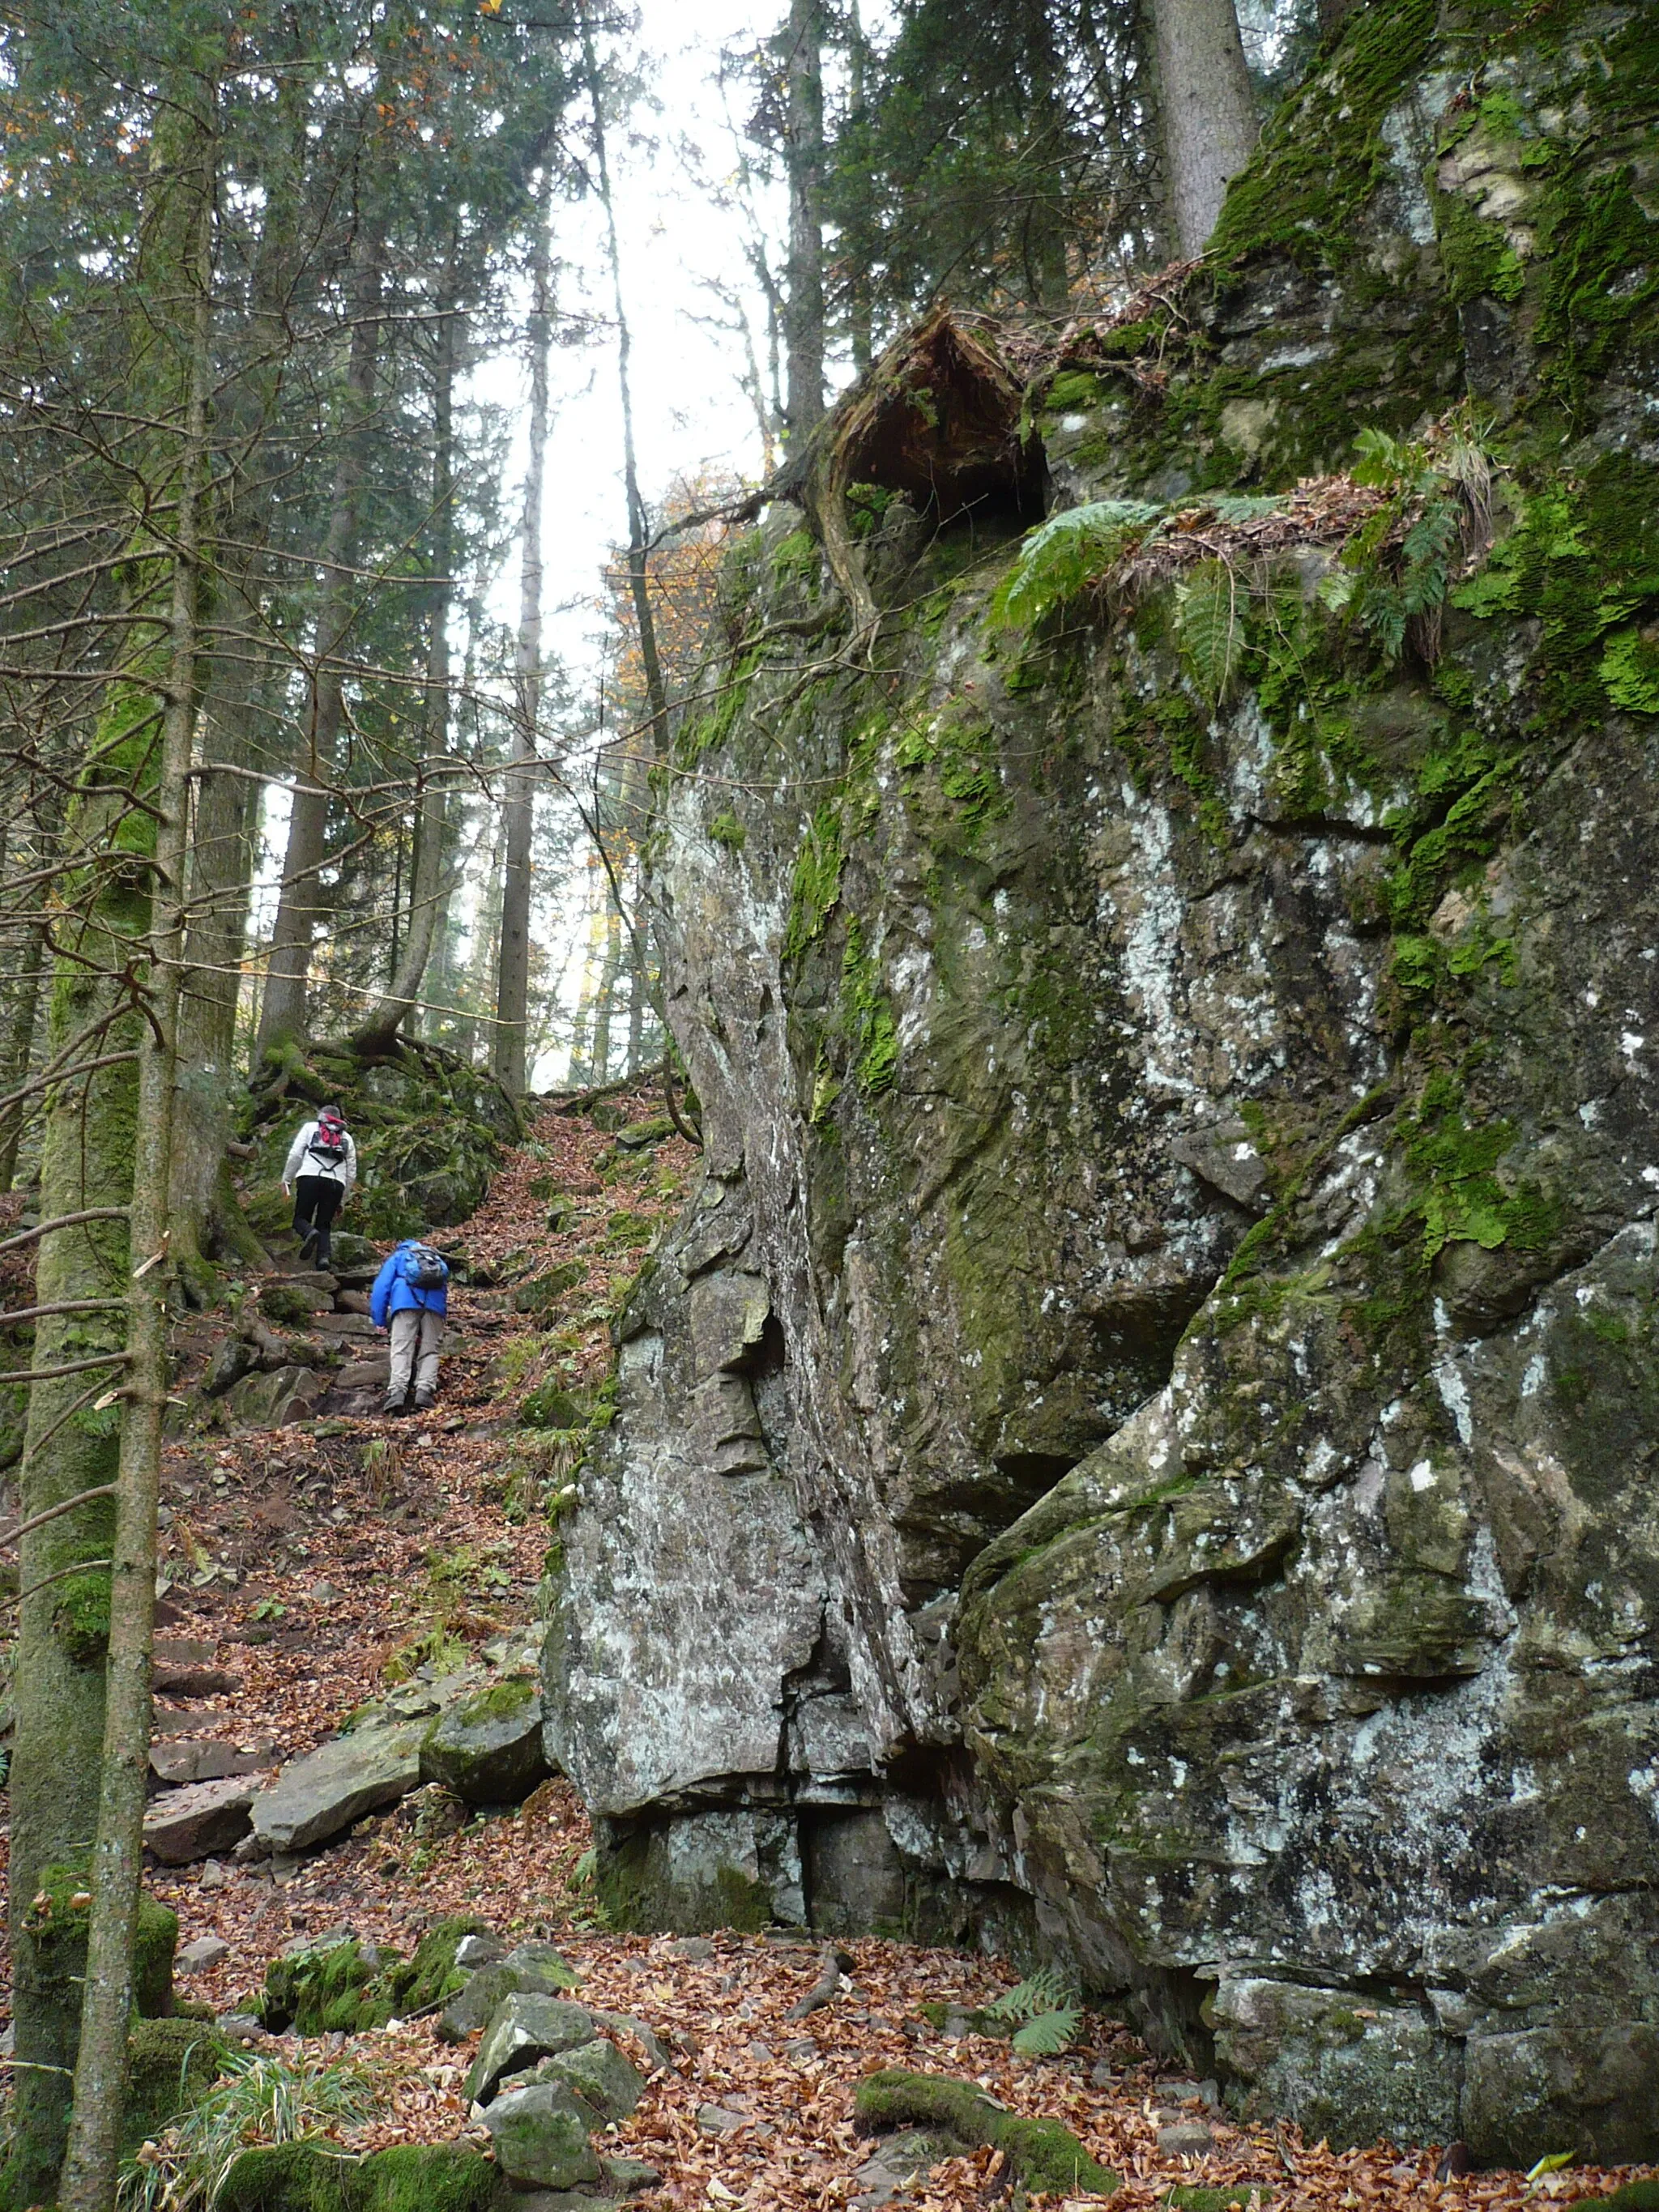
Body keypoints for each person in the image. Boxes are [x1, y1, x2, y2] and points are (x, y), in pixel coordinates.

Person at [370, 1237, 450, 1417]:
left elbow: (381, 1288)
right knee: (431, 1349)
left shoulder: (399, 1257)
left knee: (401, 1347)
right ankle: (424, 1390)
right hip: (435, 1307)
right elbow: (443, 1286)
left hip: (405, 1304)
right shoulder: (434, 1259)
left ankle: (398, 1391)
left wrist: (379, 1320)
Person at [281, 1104, 356, 1268]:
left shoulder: (310, 1128)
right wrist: (342, 1201)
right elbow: (351, 1172)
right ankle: (323, 1259)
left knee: (300, 1219)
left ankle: (309, 1233)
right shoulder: (347, 1138)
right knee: (324, 1224)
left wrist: (286, 1179)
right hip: (336, 1183)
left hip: (309, 1178)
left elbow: (295, 1155)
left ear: (321, 1116)